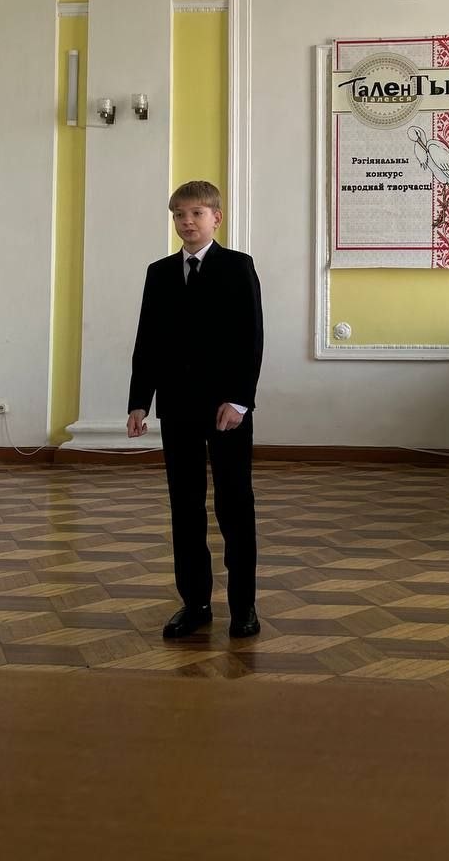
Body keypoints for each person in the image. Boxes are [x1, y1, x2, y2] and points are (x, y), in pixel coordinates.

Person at [127, 180, 264, 640]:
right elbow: (147, 341)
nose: (187, 222)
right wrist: (139, 402)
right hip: (178, 406)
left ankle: (243, 607)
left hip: (227, 408)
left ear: (215, 218)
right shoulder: (159, 273)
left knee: (234, 505)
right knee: (185, 507)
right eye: (179, 215)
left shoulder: (237, 266)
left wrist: (240, 400)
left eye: (196, 214)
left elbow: (251, 338)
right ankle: (195, 604)